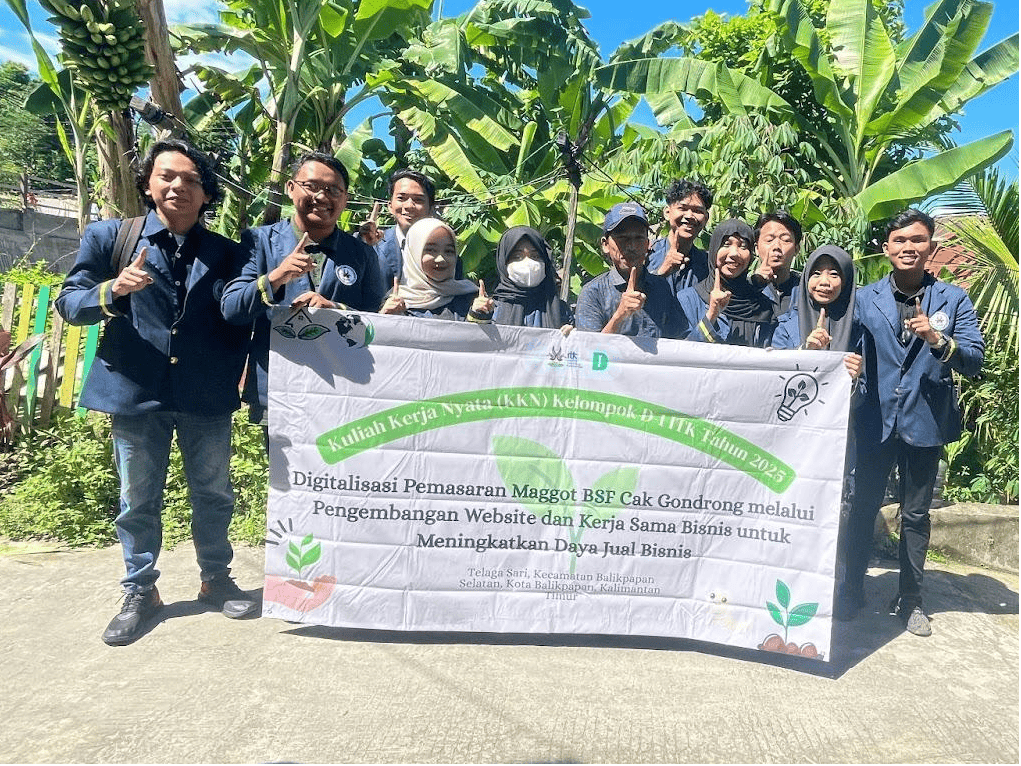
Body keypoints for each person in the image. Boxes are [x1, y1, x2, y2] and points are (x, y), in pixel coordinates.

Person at [55, 139, 255, 646]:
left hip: (204, 395)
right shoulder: (111, 238)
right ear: (148, 185)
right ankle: (141, 590)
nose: (178, 186)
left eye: (191, 179)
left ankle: (216, 579)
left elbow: (238, 315)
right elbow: (70, 303)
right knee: (138, 498)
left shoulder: (227, 253)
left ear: (206, 194)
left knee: (214, 493)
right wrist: (112, 290)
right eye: (167, 176)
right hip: (136, 391)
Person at [843, 209, 984, 635]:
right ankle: (851, 587)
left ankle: (911, 598)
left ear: (932, 248)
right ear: (886, 248)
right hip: (875, 421)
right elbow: (847, 346)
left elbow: (974, 360)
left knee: (917, 515)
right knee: (862, 507)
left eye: (918, 240)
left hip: (925, 422)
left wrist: (938, 340)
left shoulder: (953, 299)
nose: (908, 247)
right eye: (900, 240)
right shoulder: (864, 298)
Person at [221, 152, 384, 434]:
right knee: (282, 465)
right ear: (290, 188)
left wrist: (336, 310)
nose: (321, 196)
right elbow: (232, 309)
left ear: (345, 199)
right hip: (279, 389)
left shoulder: (361, 254)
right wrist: (276, 278)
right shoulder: (258, 242)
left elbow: (377, 322)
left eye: (333, 190)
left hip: (345, 389)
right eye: (312, 186)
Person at [574, 202, 687, 338]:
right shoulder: (592, 293)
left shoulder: (662, 288)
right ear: (605, 245)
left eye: (638, 238)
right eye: (623, 238)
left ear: (647, 244)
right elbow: (589, 348)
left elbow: (678, 341)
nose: (632, 246)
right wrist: (620, 315)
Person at [677, 218, 776, 347]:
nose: (734, 253)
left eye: (743, 246)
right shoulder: (688, 300)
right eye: (726, 244)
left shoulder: (762, 306)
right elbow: (678, 352)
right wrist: (711, 315)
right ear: (714, 249)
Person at [379, 217, 493, 322]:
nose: (441, 259)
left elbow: (475, 337)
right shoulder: (396, 300)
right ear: (414, 254)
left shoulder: (471, 297)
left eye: (448, 251)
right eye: (431, 250)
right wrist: (386, 318)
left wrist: (479, 316)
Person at [358, 168, 437, 287]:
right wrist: (362, 244)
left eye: (418, 200)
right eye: (401, 198)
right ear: (390, 206)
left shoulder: (445, 252)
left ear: (431, 208)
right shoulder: (371, 246)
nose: (409, 205)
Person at [490, 226, 572, 329]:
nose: (528, 263)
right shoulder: (493, 308)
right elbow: (477, 336)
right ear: (504, 263)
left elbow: (573, 334)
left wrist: (571, 334)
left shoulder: (560, 310)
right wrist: (478, 316)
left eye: (535, 256)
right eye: (517, 257)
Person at [647, 179, 713, 294]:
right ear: (667, 213)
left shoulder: (707, 264)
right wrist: (662, 271)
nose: (689, 216)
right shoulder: (646, 254)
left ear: (706, 219)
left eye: (697, 211)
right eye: (682, 208)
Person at [751, 210, 803, 318]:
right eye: (769, 240)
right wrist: (757, 284)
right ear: (756, 248)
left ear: (797, 249)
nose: (776, 247)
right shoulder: (745, 289)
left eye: (785, 240)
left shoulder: (805, 291)